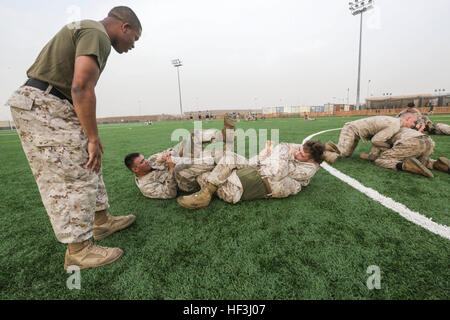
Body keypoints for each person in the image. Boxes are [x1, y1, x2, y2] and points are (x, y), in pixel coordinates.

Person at [4, 7, 142, 270]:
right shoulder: (96, 33)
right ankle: (78, 251)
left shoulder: (89, 30)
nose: (132, 45)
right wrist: (91, 135)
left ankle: (101, 222)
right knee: (72, 175)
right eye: (134, 38)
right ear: (124, 27)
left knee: (90, 162)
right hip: (46, 104)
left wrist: (91, 136)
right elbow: (81, 86)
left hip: (55, 103)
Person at [177, 140, 325, 209]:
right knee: (226, 157)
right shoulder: (293, 159)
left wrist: (283, 149)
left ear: (311, 160)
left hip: (236, 189)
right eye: (299, 149)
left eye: (302, 154)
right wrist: (267, 154)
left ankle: (202, 193)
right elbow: (260, 163)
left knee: (203, 176)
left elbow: (277, 171)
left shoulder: (306, 171)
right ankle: (200, 186)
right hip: (248, 172)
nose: (297, 153)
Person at [125, 115, 236, 198]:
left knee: (191, 137)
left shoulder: (151, 160)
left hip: (185, 161)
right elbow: (170, 193)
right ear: (135, 169)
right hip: (184, 181)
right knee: (181, 166)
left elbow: (171, 151)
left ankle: (223, 136)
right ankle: (220, 156)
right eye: (142, 162)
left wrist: (168, 153)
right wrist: (171, 170)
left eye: (144, 159)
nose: (146, 161)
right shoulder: (146, 186)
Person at [322, 113, 418, 164]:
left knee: (346, 154)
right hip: (352, 129)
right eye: (413, 122)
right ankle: (320, 149)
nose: (414, 125)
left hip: (356, 131)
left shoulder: (395, 122)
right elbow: (376, 140)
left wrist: (372, 156)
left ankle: (323, 150)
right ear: (407, 119)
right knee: (342, 151)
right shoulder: (395, 125)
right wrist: (390, 146)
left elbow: (378, 139)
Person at [360, 127, 450, 178]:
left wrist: (368, 156)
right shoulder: (396, 126)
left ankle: (406, 166)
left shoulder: (379, 134)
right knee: (414, 156)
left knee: (381, 160)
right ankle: (435, 164)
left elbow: (373, 156)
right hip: (428, 142)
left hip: (411, 143)